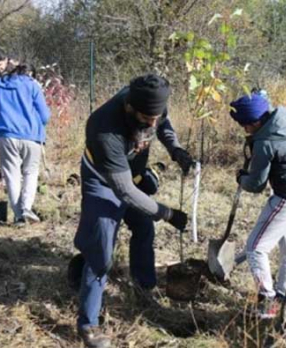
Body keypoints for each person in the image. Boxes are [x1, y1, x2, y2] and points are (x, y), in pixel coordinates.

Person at [74, 74, 195, 348]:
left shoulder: (153, 105)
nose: (152, 123)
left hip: (131, 173)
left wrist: (176, 150)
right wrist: (167, 213)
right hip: (102, 181)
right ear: (130, 107)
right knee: (101, 253)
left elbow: (164, 125)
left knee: (143, 228)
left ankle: (144, 286)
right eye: (146, 119)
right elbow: (124, 191)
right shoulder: (104, 127)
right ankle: (88, 324)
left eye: (155, 116)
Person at [229, 91, 286, 319]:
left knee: (255, 248)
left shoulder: (265, 142)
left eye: (245, 125)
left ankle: (267, 299)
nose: (244, 129)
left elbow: (257, 184)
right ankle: (282, 295)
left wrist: (242, 178)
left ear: (256, 121)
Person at [0, 63, 51, 225]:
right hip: (31, 136)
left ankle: (19, 217)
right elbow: (45, 115)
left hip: (5, 135)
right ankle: (26, 208)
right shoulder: (32, 86)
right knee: (30, 172)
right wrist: (36, 126)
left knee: (11, 175)